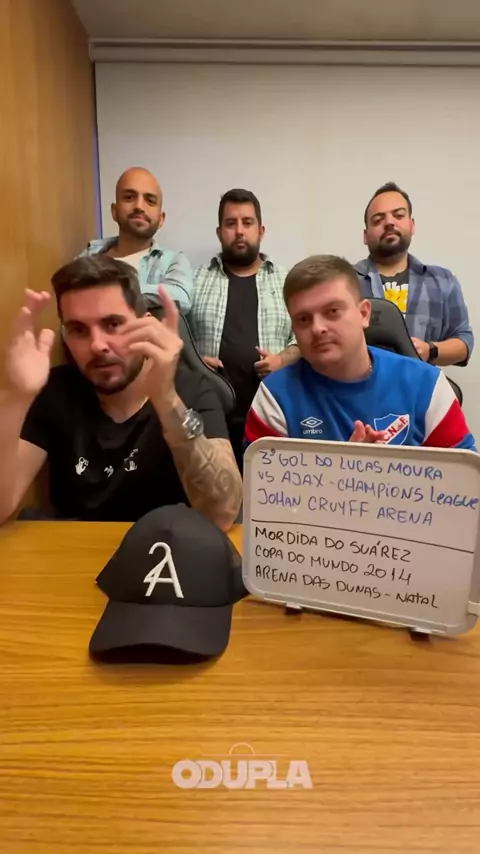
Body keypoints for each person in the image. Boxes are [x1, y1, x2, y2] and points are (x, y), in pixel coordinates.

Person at [0, 256, 242, 529]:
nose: (97, 345)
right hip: (74, 550)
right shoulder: (56, 390)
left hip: (163, 549)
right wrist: (16, 396)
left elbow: (222, 513)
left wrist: (166, 400)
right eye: (78, 330)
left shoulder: (192, 389)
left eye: (113, 324)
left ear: (147, 327)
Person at [245, 255, 476, 451]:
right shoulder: (274, 397)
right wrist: (346, 471)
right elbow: (262, 488)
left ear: (364, 314)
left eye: (332, 311)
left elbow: (464, 481)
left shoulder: (427, 386)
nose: (317, 328)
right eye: (303, 319)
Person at [190, 188, 298, 469]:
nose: (239, 231)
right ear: (219, 232)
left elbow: (304, 338)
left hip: (272, 418)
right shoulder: (195, 279)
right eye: (231, 223)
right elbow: (177, 338)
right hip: (209, 420)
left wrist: (282, 359)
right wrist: (195, 362)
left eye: (247, 223)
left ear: (260, 231)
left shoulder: (287, 280)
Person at [355, 182, 473, 367]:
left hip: (421, 383)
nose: (389, 222)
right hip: (360, 384)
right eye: (378, 220)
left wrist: (430, 350)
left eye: (398, 215)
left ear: (412, 225)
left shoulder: (443, 281)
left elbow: (464, 341)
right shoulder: (345, 282)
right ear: (365, 235)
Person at [81, 167, 193, 313]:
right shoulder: (90, 254)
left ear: (161, 219)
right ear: (114, 211)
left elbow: (181, 298)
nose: (139, 206)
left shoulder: (173, 261)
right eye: (129, 197)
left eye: (150, 201)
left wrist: (109, 291)